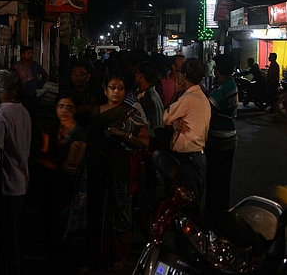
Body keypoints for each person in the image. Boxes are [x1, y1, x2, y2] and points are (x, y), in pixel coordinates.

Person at [87, 75, 149, 273]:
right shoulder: (96, 112)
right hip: (97, 169)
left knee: (121, 214)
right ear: (105, 90)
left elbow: (145, 142)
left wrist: (122, 134)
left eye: (120, 88)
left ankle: (119, 257)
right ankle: (97, 257)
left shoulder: (130, 114)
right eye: (112, 87)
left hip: (121, 171)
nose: (116, 91)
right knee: (96, 212)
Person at [0, 69, 31, 275]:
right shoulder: (23, 111)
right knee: (15, 243)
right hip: (21, 183)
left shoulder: (1, 116)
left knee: (5, 245)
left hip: (6, 186)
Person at [39, 92, 88, 275]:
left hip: (72, 188)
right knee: (51, 226)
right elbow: (44, 155)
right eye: (61, 106)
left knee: (70, 228)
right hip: (52, 184)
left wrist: (54, 164)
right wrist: (56, 164)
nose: (64, 110)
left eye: (69, 107)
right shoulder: (50, 128)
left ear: (75, 110)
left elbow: (72, 165)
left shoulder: (80, 132)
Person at [162, 59, 211, 205]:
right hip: (198, 158)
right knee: (192, 203)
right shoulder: (201, 97)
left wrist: (176, 92)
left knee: (187, 206)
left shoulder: (187, 98)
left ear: (183, 76)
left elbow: (166, 117)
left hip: (188, 160)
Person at [205, 54, 239, 224]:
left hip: (220, 140)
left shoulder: (225, 87)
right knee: (221, 180)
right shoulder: (227, 85)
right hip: (225, 139)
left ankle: (217, 218)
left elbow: (208, 109)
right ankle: (219, 215)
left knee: (217, 180)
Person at [135, 61, 165, 197]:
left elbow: (151, 125)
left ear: (141, 76)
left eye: (137, 73)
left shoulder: (149, 99)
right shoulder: (147, 94)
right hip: (152, 141)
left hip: (150, 142)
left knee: (148, 175)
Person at [12, 45, 48, 152]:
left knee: (34, 120)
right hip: (21, 98)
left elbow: (45, 75)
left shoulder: (34, 65)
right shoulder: (16, 67)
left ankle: (34, 144)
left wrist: (40, 85)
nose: (31, 55)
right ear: (22, 54)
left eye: (31, 53)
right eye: (28, 53)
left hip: (32, 97)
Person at [65, 59, 106, 128]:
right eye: (74, 74)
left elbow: (95, 106)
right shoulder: (66, 91)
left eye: (81, 74)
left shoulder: (95, 91)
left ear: (88, 76)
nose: (77, 77)